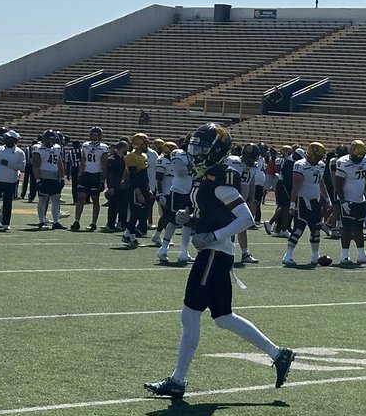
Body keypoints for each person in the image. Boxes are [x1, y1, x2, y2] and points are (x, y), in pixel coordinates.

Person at [144, 122, 295, 399]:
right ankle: (278, 353)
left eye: (202, 148)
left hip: (215, 253)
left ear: (216, 151)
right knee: (224, 317)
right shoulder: (205, 175)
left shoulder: (220, 177)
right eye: (195, 147)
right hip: (215, 253)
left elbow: (246, 218)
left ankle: (177, 380)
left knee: (190, 315)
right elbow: (208, 211)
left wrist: (213, 234)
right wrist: (188, 218)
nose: (196, 152)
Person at [334, 140, 366, 266]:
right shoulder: (343, 162)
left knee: (359, 227)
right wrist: (342, 200)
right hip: (348, 200)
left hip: (360, 199)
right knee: (347, 228)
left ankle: (362, 255)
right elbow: (338, 183)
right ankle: (344, 256)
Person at [157, 140, 195, 263]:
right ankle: (163, 248)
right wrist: (194, 165)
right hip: (178, 191)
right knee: (173, 221)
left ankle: (184, 251)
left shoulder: (197, 156)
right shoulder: (178, 153)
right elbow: (181, 172)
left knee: (188, 222)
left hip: (192, 191)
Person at [0, 130, 25, 231]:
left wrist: (8, 164)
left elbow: (22, 166)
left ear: (13, 140)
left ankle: (6, 223)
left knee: (7, 203)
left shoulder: (20, 152)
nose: (5, 139)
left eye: (8, 138)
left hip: (10, 181)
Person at [74, 125, 109, 231]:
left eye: (96, 135)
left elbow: (104, 165)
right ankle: (76, 221)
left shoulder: (103, 147)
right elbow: (83, 161)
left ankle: (93, 223)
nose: (94, 137)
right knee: (80, 198)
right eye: (93, 135)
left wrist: (102, 180)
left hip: (96, 175)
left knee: (95, 199)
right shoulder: (85, 145)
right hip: (86, 174)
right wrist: (80, 175)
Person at [32, 130, 66, 230]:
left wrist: (62, 177)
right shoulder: (38, 148)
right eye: (49, 139)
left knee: (56, 200)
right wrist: (38, 180)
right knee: (42, 200)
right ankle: (42, 221)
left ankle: (56, 222)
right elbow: (35, 165)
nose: (51, 141)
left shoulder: (57, 148)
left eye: (52, 139)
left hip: (54, 177)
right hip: (43, 177)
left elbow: (60, 163)